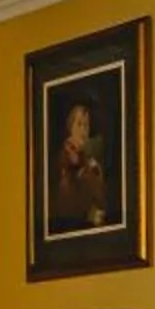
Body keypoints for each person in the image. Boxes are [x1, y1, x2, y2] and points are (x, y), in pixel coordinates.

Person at [48, 98, 112, 231]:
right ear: (70, 128)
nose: (83, 130)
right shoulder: (68, 152)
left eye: (86, 125)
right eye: (79, 124)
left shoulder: (88, 157)